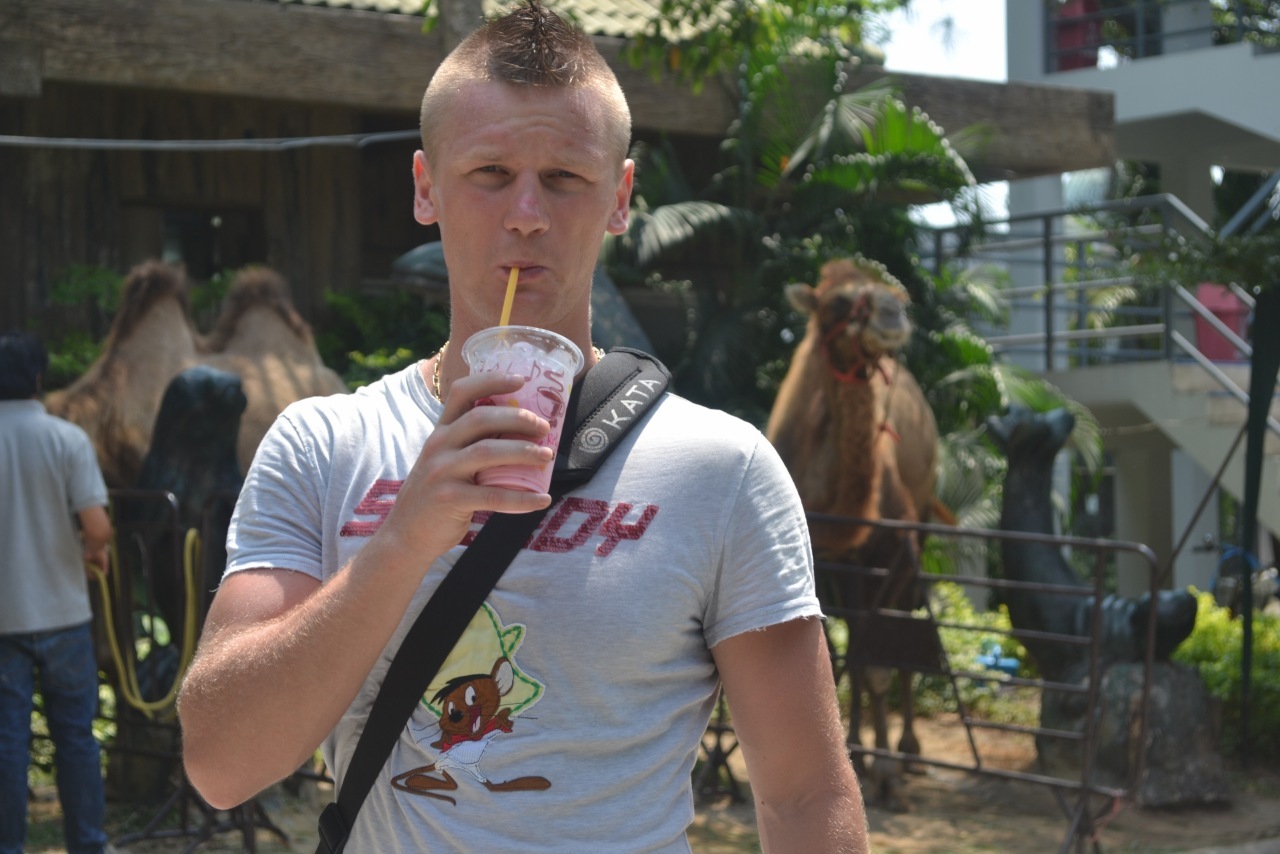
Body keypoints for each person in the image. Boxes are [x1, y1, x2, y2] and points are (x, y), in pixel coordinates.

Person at [178, 2, 867, 850]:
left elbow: (804, 795)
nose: (528, 213)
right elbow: (222, 764)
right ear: (426, 187)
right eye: (491, 173)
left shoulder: (721, 471)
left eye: (566, 178)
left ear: (619, 198)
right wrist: (404, 539)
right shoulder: (324, 446)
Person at [0, 330, 114, 854]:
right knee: (76, 739)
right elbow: (97, 527)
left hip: (4, 622)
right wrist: (94, 550)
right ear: (39, 377)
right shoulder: (65, 439)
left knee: (7, 745)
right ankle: (87, 844)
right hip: (64, 613)